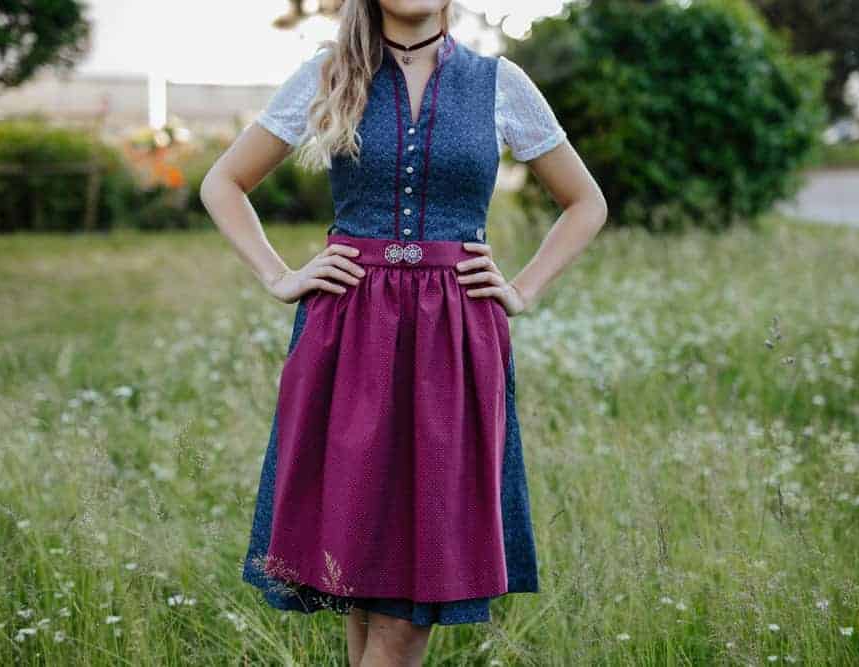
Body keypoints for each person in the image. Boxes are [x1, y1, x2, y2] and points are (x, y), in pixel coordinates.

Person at [200, 1, 607, 664]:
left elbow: (586, 202)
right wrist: (279, 275)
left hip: (454, 340)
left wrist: (522, 290)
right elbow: (224, 182)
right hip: (348, 335)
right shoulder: (331, 72)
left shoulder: (499, 83)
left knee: (404, 603)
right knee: (364, 581)